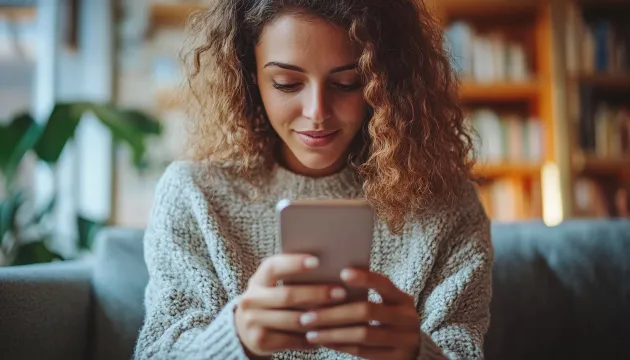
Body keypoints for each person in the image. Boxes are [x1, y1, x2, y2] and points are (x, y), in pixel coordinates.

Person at [134, 0, 492, 359]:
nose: (316, 112)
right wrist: (235, 340)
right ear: (249, 74)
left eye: (347, 83)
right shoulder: (194, 194)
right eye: (287, 83)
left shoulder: (447, 205)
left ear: (386, 80)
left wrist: (417, 354)